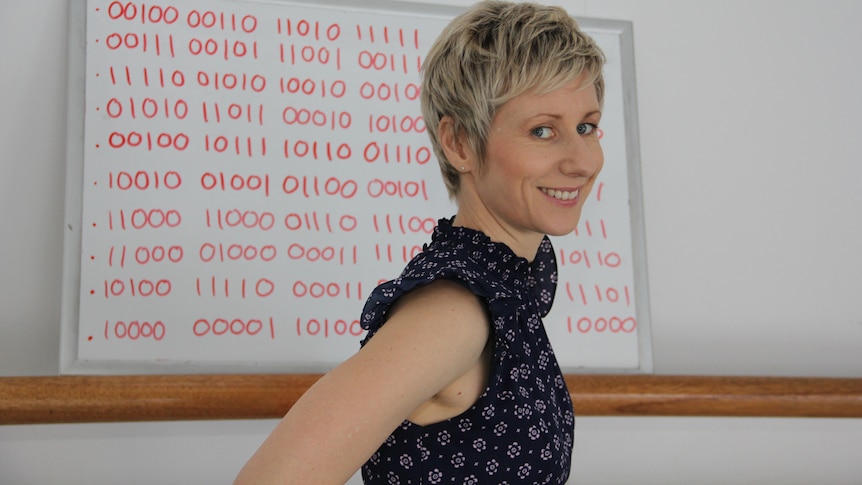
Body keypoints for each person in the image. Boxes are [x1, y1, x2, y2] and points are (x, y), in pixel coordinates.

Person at [233, 1, 605, 483]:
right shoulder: (451, 315)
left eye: (586, 127)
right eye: (542, 130)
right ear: (460, 145)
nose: (582, 161)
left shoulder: (500, 291)